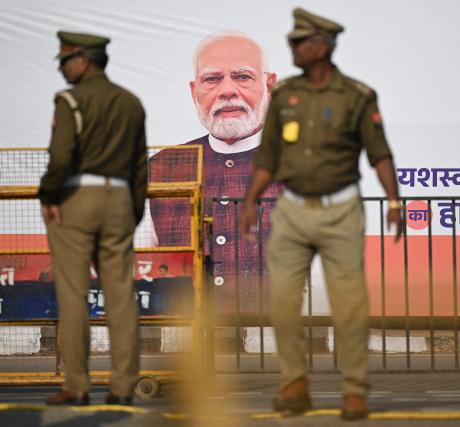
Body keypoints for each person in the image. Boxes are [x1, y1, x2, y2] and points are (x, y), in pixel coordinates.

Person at [240, 8, 403, 421]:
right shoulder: (285, 96)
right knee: (282, 302)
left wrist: (395, 201)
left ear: (323, 46)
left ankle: (354, 391)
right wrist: (250, 202)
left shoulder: (356, 96)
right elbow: (268, 156)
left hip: (341, 211)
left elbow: (379, 152)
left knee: (349, 305)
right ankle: (294, 385)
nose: (292, 48)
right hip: (292, 211)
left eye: (300, 42)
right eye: (291, 42)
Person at [39, 31, 147, 405]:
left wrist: (49, 195)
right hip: (119, 198)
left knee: (73, 295)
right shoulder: (131, 103)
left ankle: (78, 384)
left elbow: (61, 156)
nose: (63, 68)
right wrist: (134, 209)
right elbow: (138, 165)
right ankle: (122, 387)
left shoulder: (70, 101)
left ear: (84, 59)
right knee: (121, 297)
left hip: (76, 198)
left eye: (66, 60)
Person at [148, 32, 282, 313]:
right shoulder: (159, 168)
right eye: (212, 79)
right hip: (187, 345)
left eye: (243, 77)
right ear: (193, 91)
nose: (227, 91)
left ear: (270, 86)